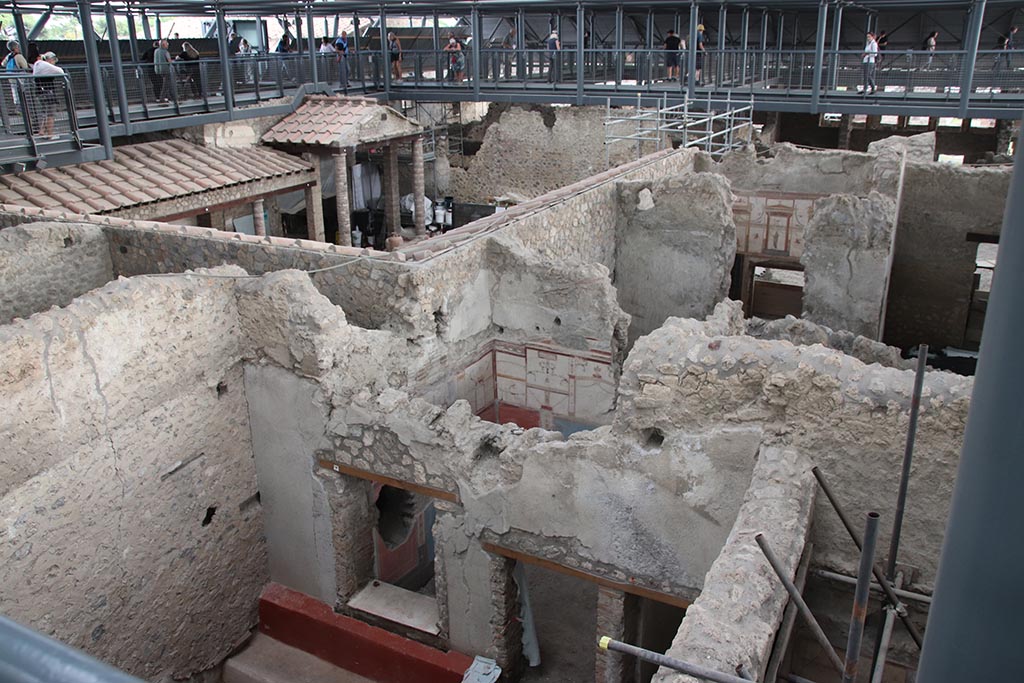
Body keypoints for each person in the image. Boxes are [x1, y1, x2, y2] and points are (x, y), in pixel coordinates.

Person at [32, 51, 64, 137]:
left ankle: (42, 131)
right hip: (48, 93)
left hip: (39, 93)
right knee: (51, 114)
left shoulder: (38, 65)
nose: (54, 63)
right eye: (54, 61)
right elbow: (61, 72)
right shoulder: (47, 67)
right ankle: (50, 134)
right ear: (50, 60)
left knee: (44, 113)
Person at [3, 41, 30, 109]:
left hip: (11, 78)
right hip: (20, 78)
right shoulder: (18, 56)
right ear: (16, 47)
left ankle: (18, 107)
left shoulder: (9, 56)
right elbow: (25, 66)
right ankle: (24, 108)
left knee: (15, 93)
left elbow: (3, 64)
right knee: (23, 92)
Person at [153, 39, 173, 104]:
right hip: (165, 70)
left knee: (163, 84)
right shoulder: (165, 52)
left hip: (158, 70)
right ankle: (163, 98)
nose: (168, 45)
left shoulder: (156, 51)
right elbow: (169, 61)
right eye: (167, 44)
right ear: (164, 45)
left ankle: (167, 97)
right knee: (166, 84)